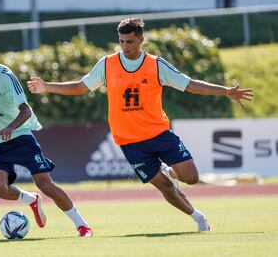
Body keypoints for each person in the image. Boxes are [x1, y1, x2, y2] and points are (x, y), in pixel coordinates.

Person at [27, 18, 254, 232]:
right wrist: (47, 87)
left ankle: (170, 170)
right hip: (130, 142)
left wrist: (225, 91)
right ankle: (199, 218)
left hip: (159, 133)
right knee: (165, 187)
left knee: (191, 178)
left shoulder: (156, 65)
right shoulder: (107, 64)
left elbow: (190, 84)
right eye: (122, 42)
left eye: (130, 42)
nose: (125, 47)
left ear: (141, 40)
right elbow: (80, 86)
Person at [0, 30, 93, 237]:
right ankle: (31, 199)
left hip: (21, 136)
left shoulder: (4, 76)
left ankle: (82, 225)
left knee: (45, 184)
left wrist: (11, 127)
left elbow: (26, 110)